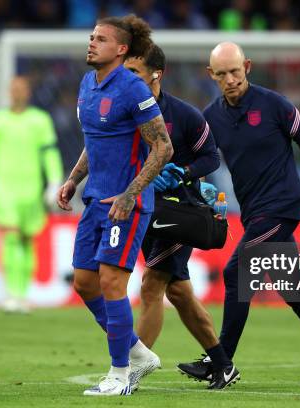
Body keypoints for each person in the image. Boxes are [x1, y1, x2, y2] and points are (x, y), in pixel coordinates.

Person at [177, 42, 300, 387]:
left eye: (235, 71)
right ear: (210, 75)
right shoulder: (211, 117)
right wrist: (201, 187)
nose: (230, 79)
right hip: (253, 213)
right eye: (222, 74)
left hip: (281, 207)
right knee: (296, 289)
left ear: (247, 66)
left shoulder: (275, 105)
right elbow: (202, 160)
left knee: (235, 272)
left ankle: (221, 361)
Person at [56, 15, 174, 396]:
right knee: (84, 282)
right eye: (91, 37)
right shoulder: (87, 84)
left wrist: (130, 193)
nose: (91, 42)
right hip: (95, 200)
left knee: (111, 282)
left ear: (121, 49)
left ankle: (119, 373)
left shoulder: (131, 87)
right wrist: (75, 179)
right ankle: (138, 352)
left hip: (126, 203)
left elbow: (163, 146)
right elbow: (96, 140)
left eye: (101, 39)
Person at [124, 44, 239, 390]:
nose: (126, 79)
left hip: (178, 212)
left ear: (156, 74)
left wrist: (182, 173)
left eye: (134, 73)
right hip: (145, 210)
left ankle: (129, 371)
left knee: (151, 285)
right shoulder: (127, 113)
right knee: (179, 293)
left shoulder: (184, 115)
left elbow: (210, 158)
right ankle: (222, 363)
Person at [0, 76, 63, 313]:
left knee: (27, 239)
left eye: (21, 89)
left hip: (31, 188)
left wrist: (54, 182)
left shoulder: (40, 121)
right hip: (3, 187)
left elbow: (49, 153)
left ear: (28, 93)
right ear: (8, 92)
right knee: (11, 237)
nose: (17, 93)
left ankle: (23, 294)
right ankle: (12, 293)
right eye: (13, 89)